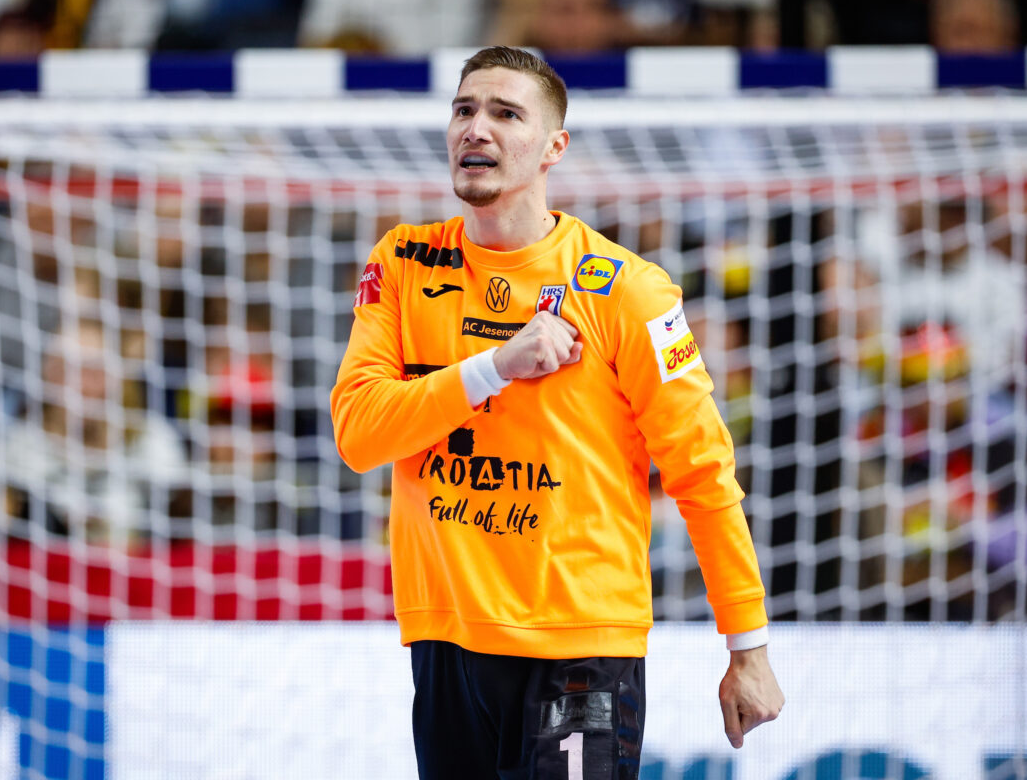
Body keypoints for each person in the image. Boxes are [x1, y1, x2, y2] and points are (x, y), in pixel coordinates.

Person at [330, 46, 783, 778]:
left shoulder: (628, 291)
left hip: (579, 644)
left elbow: (703, 470)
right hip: (446, 638)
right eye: (464, 109)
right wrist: (494, 367)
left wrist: (748, 647)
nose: (476, 128)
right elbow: (358, 433)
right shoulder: (405, 262)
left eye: (506, 114)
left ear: (554, 148)